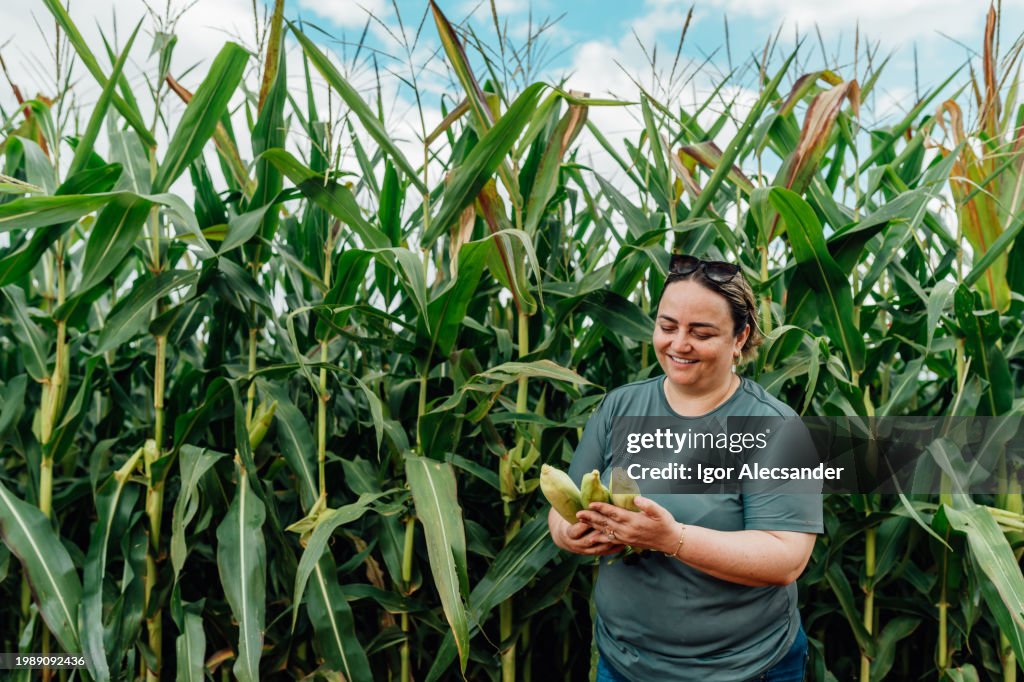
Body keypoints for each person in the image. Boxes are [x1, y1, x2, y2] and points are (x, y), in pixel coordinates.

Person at [547, 254, 822, 682]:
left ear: (740, 337)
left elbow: (785, 558)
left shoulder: (776, 426)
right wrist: (573, 533)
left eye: (701, 332)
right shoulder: (621, 406)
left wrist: (671, 538)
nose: (678, 344)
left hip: (744, 670)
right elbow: (561, 507)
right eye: (667, 326)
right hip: (625, 664)